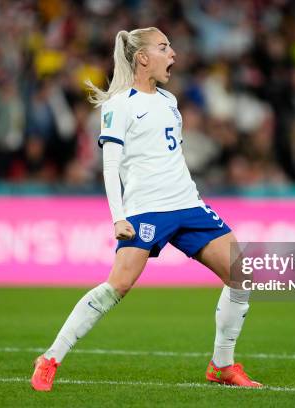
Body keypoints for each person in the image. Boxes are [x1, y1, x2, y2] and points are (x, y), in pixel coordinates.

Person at [30, 27, 262, 391]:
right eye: (164, 47)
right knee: (117, 286)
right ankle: (50, 358)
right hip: (147, 210)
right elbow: (110, 166)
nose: (173, 55)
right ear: (142, 57)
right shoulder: (119, 104)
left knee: (242, 272)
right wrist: (117, 217)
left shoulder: (169, 100)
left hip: (187, 203)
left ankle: (222, 365)